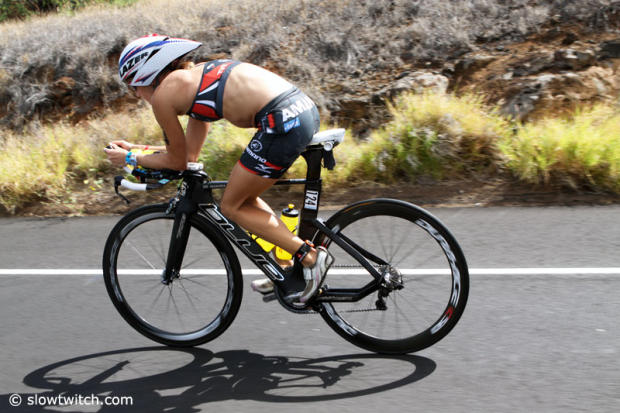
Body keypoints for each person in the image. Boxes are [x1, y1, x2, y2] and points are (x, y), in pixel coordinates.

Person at [104, 34, 332, 303]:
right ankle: (285, 267)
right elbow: (187, 155)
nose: (136, 95)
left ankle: (310, 257)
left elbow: (177, 162)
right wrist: (136, 149)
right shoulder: (194, 81)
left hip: (281, 120)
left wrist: (130, 159)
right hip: (299, 110)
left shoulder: (164, 95)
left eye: (133, 86)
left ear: (147, 74)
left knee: (232, 206)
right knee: (244, 198)